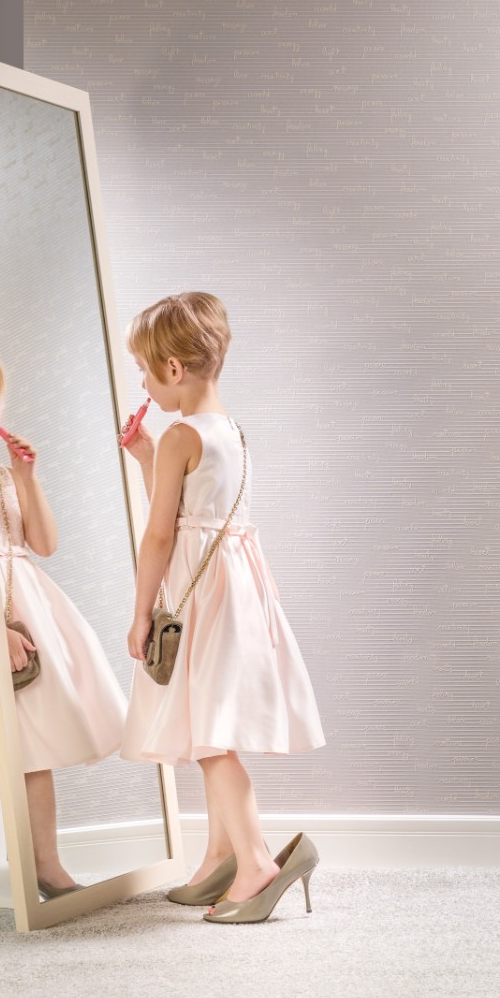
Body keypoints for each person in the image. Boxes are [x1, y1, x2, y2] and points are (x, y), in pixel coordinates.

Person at [117, 293, 326, 924]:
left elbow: (161, 533)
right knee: (211, 721)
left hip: (202, 595)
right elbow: (192, 509)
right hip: (232, 589)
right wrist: (147, 458)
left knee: (210, 737)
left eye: (145, 371)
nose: (144, 384)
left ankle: (256, 861)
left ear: (173, 368)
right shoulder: (230, 431)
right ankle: (219, 856)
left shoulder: (181, 434)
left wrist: (142, 611)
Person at [0, 341, 128, 901]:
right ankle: (25, 861)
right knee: (15, 741)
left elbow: (44, 543)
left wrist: (27, 477)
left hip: (29, 603)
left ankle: (47, 863)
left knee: (35, 743)